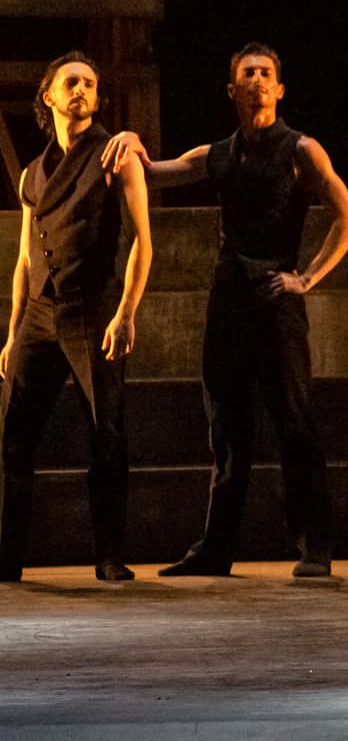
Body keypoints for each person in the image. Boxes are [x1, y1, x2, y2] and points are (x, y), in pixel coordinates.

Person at [107, 44, 348, 579]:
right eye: (248, 74)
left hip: (278, 298)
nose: (258, 81)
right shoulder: (217, 153)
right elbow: (149, 172)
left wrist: (306, 278)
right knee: (227, 428)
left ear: (280, 88)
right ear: (232, 89)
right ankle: (216, 549)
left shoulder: (301, 149)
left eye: (267, 74)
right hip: (230, 300)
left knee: (295, 420)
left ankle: (314, 546)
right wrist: (126, 138)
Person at [1, 52, 153, 583]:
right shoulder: (32, 173)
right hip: (41, 314)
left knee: (106, 433)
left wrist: (126, 310)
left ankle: (110, 556)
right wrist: (15, 329)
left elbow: (142, 241)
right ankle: (5, 557)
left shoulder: (115, 155)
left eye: (90, 83)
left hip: (93, 308)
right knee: (11, 434)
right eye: (72, 82)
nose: (82, 90)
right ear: (49, 95)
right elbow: (24, 259)